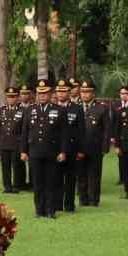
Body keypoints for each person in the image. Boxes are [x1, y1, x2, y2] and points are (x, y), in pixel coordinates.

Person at [26, 81, 62, 219]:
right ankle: (39, 210)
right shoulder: (30, 109)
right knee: (37, 183)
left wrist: (62, 151)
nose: (42, 95)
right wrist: (24, 150)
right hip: (34, 152)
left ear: (50, 93)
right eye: (40, 93)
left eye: (45, 93)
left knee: (51, 182)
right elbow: (25, 132)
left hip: (51, 152)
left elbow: (63, 133)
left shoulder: (58, 110)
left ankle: (50, 210)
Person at [78, 81, 109, 206]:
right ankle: (83, 199)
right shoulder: (76, 107)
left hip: (95, 147)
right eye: (83, 92)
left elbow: (107, 129)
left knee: (94, 175)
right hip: (79, 148)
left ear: (93, 93)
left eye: (87, 92)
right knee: (81, 175)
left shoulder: (101, 108)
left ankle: (94, 199)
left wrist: (105, 147)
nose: (85, 95)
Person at [54, 80, 83, 213]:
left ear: (69, 92)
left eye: (64, 91)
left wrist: (80, 150)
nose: (61, 93)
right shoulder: (52, 107)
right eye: (59, 91)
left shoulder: (77, 108)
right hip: (54, 149)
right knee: (56, 178)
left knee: (70, 179)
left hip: (72, 149)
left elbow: (81, 130)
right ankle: (58, 204)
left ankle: (69, 205)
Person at [0, 86, 27, 194]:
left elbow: (24, 130)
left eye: (13, 97)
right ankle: (7, 186)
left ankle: (16, 186)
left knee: (16, 166)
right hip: (4, 143)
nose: (11, 99)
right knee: (5, 166)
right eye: (9, 97)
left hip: (16, 143)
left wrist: (23, 147)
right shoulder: (2, 110)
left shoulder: (23, 110)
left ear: (17, 97)